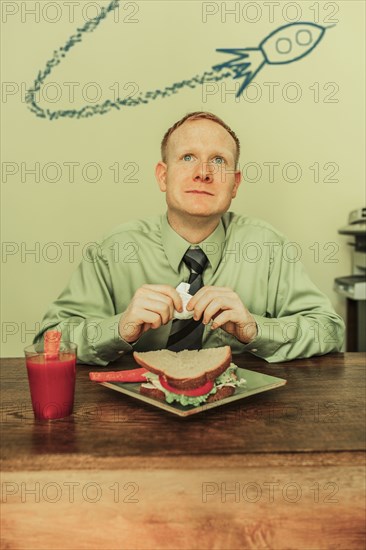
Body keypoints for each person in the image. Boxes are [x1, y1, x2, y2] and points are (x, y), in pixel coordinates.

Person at [34, 111, 345, 364]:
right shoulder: (114, 250)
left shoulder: (269, 247)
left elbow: (330, 331)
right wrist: (119, 328)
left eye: (219, 161)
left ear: (235, 185)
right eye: (187, 158)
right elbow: (48, 341)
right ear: (162, 176)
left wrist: (255, 329)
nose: (203, 173)